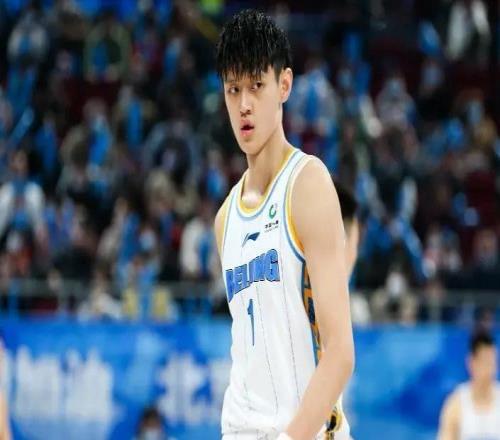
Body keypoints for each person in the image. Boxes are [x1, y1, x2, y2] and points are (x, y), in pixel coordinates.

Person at [213, 10, 354, 440]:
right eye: (233, 89)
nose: (244, 104)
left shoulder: (308, 184)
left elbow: (340, 353)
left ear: (285, 85)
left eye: (256, 86)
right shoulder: (224, 219)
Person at [437, 332, 500, 440]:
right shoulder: (456, 404)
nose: (490, 369)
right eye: (485, 362)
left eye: (492, 362)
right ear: (471, 362)